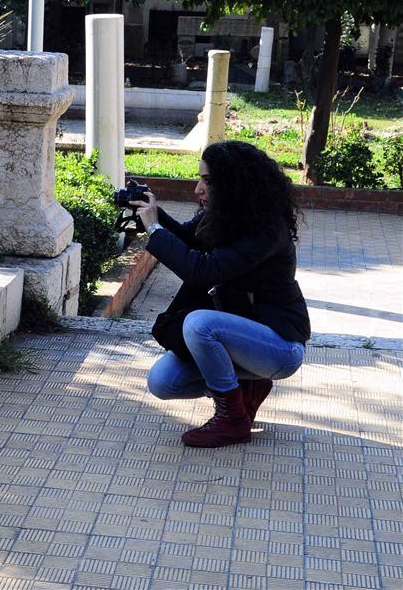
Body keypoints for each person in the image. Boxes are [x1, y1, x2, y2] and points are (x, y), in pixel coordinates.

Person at [130, 141, 310, 448]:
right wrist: (151, 212)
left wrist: (155, 231)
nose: (198, 189)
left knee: (200, 324)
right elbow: (188, 241)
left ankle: (232, 420)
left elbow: (202, 270)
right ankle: (247, 388)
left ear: (235, 184)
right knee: (163, 382)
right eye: (200, 178)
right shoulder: (220, 216)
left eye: (208, 181)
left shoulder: (266, 231)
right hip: (239, 338)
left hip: (279, 345)